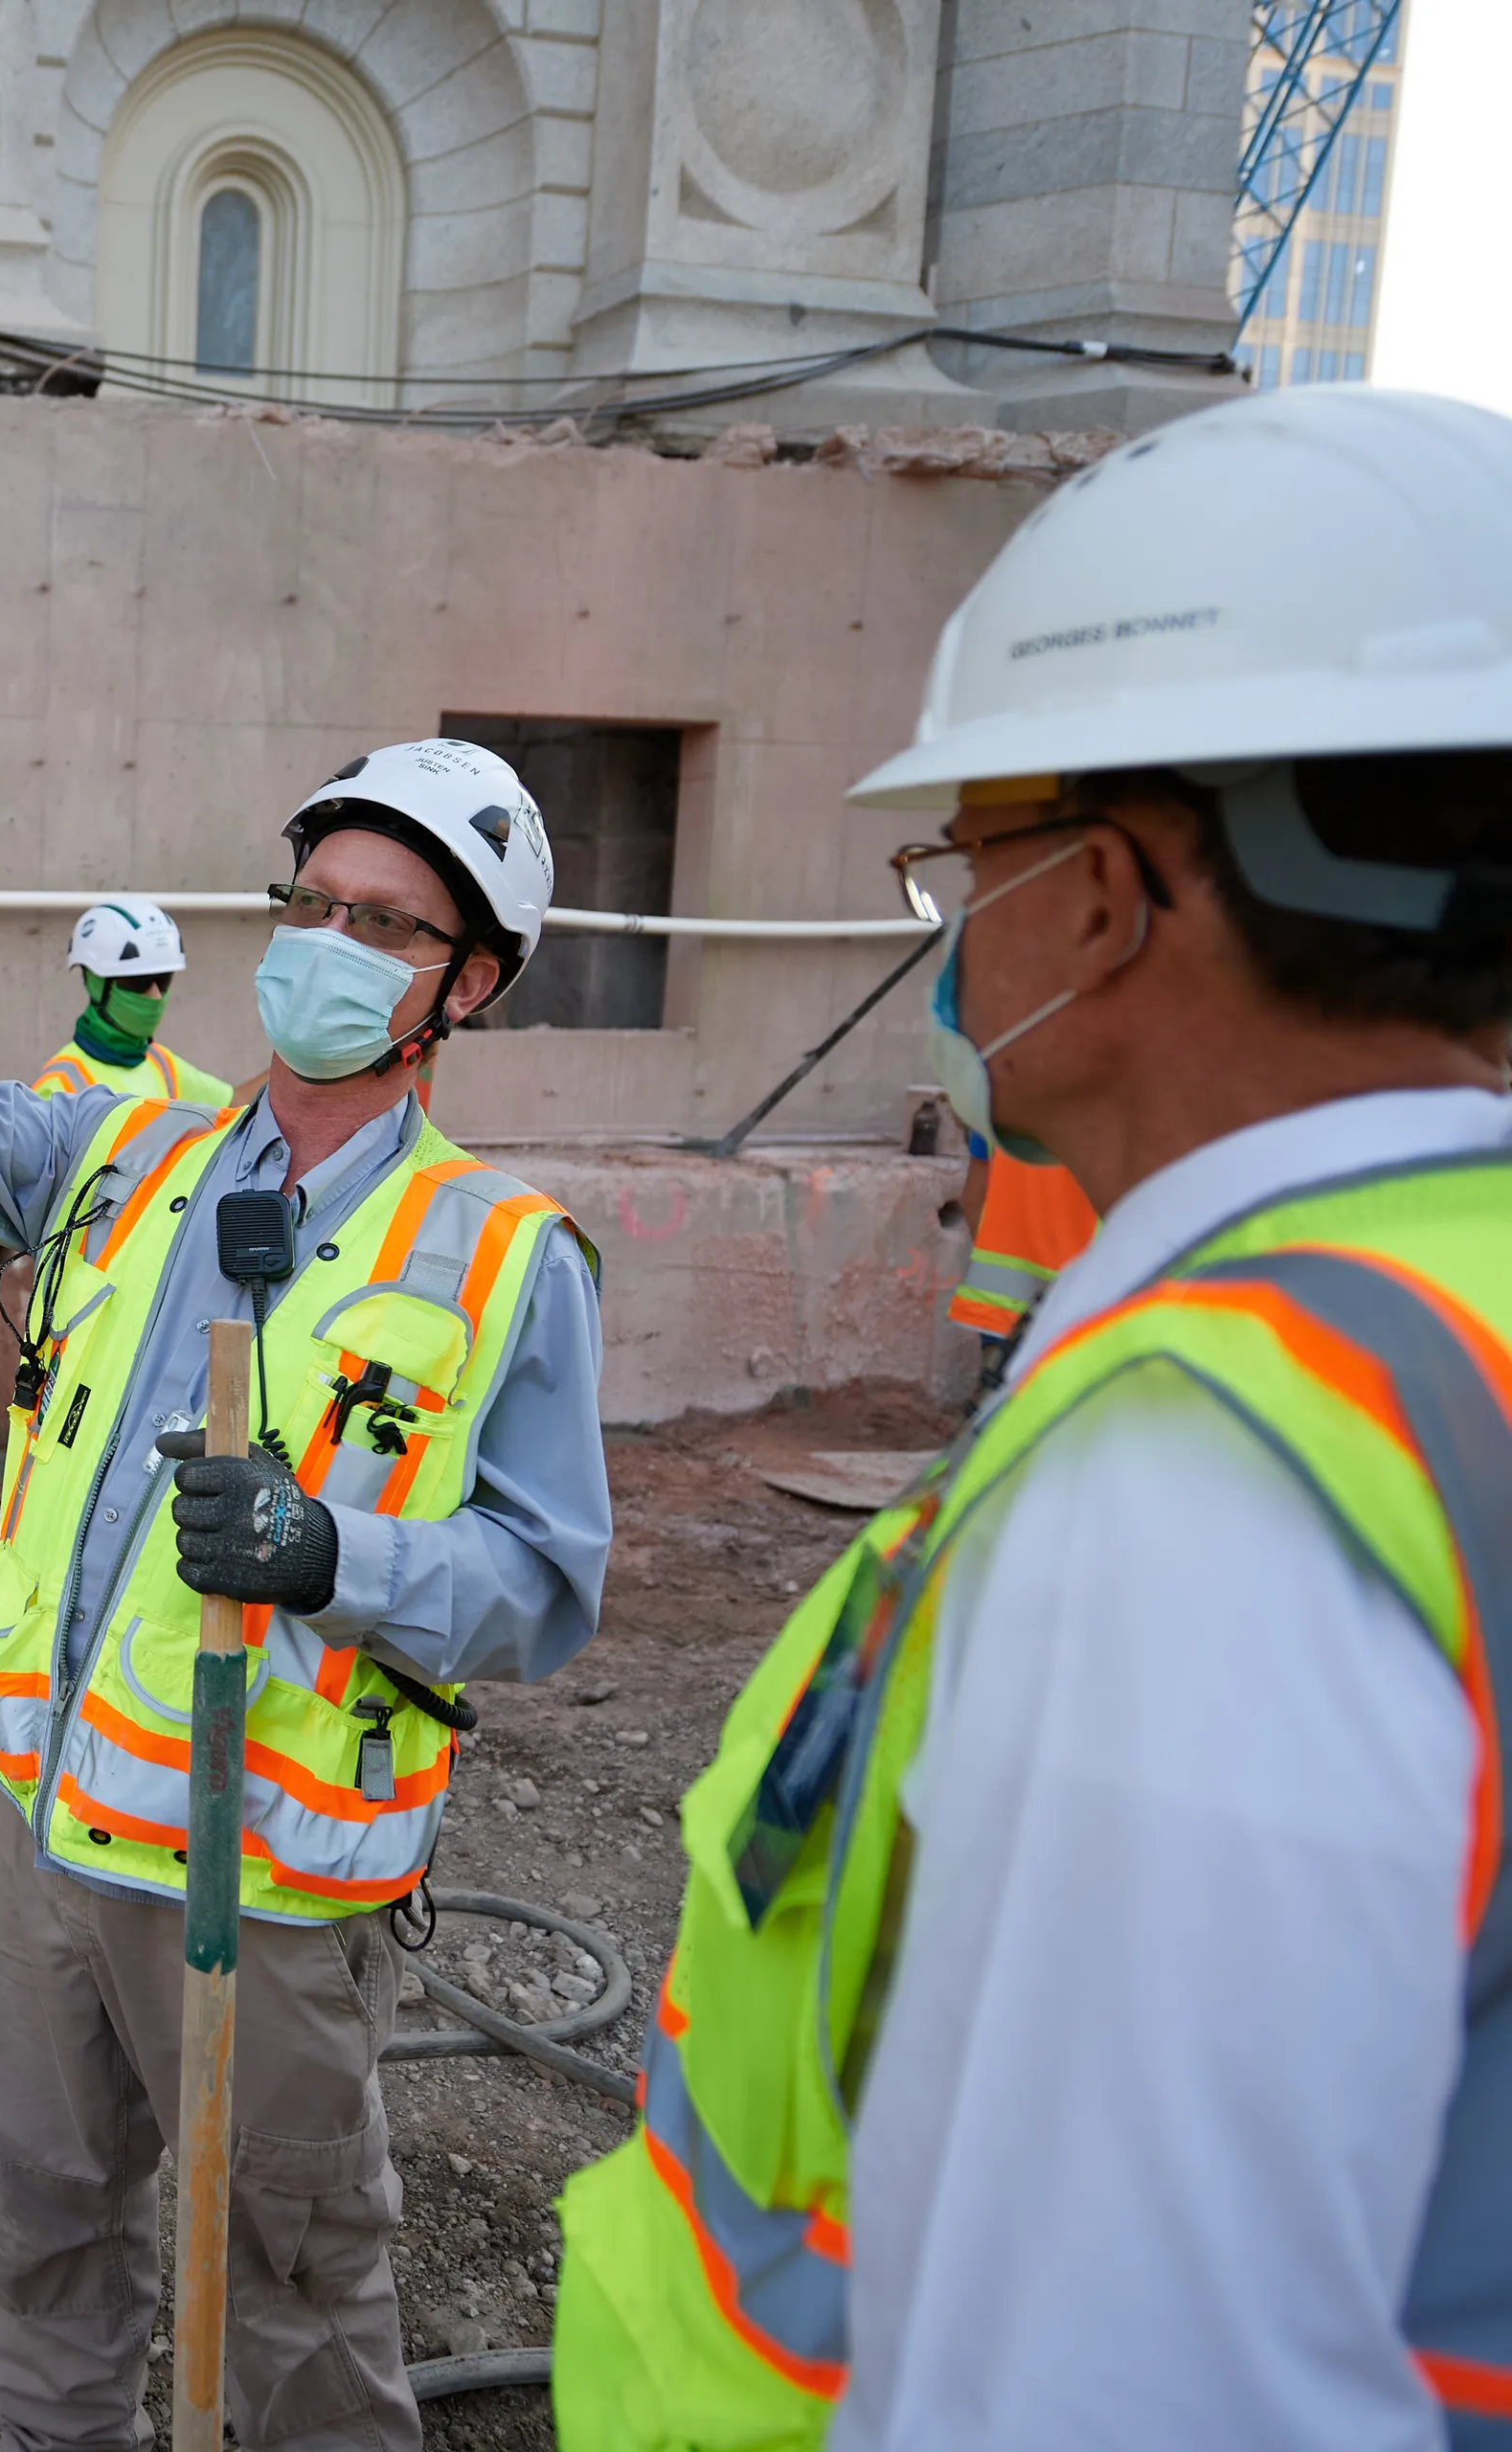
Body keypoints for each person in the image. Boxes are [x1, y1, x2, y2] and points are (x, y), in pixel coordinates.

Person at [552, 387, 1512, 2450]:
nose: (956, 924)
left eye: (965, 853)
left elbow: (1105, 2376)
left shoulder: (1220, 1478)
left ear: (1106, 892)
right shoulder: (1453, 1320)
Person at [0, 691, 612, 2451]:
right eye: (309, 904)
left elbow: (547, 1584)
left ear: (467, 983)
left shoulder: (501, 1254)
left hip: (260, 1884)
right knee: (41, 2229)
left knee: (297, 2290)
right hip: (39, 1826)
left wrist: (335, 1554)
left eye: (383, 924)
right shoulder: (124, 1149)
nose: (326, 944)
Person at [29, 897, 237, 1107]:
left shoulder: (158, 1062)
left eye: (164, 980)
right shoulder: (58, 1089)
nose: (155, 995)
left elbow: (235, 1107)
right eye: (139, 982)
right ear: (96, 984)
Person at [943, 1137, 1097, 1387]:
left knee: (1001, 1416)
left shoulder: (999, 1105)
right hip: (1084, 1308)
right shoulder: (1120, 1111)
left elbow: (973, 1198)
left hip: (1001, 1306)